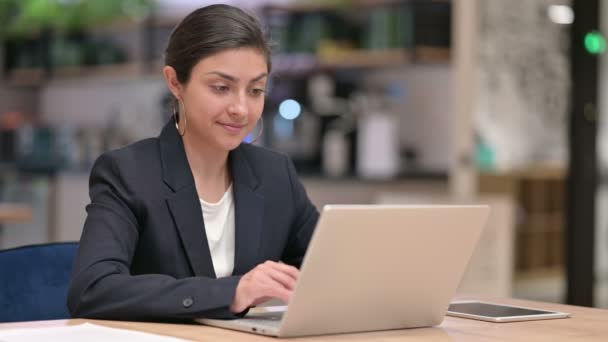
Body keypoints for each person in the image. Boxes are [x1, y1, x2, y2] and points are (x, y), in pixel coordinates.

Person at [67, 4, 319, 321]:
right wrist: (234, 292)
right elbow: (92, 290)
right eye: (221, 88)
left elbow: (328, 269)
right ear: (175, 82)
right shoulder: (128, 173)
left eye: (255, 90)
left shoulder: (275, 173)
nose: (241, 108)